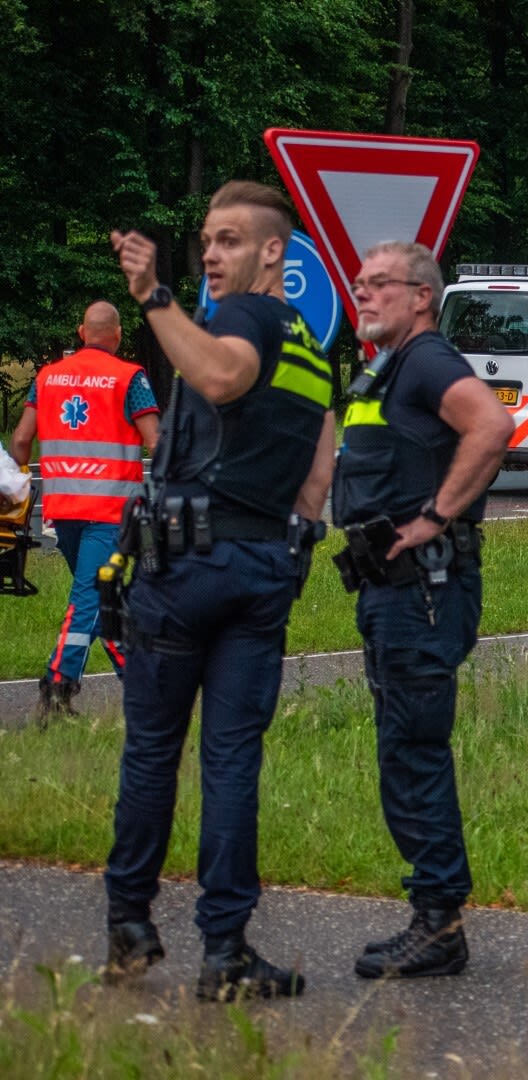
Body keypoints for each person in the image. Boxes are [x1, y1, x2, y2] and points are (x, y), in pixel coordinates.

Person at [103, 180, 336, 1001]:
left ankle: (129, 922)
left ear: (273, 251)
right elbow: (320, 464)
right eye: (208, 238)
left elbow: (223, 378)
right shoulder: (312, 342)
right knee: (233, 761)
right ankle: (226, 950)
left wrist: (155, 298)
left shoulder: (242, 317)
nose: (211, 252)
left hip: (189, 566)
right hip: (264, 567)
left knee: (153, 749)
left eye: (230, 239)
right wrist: (292, 540)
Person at [332, 241, 513, 980]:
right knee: (402, 750)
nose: (363, 295)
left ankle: (438, 924)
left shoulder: (429, 359)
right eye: (359, 283)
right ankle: (429, 917)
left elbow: (492, 426)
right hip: (394, 590)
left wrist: (435, 516)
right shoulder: (387, 367)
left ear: (421, 297)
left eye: (380, 285)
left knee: (414, 751)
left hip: (423, 592)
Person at [9, 302, 160, 720]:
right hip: (111, 509)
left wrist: (22, 482)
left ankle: (148, 692)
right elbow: (156, 444)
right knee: (88, 602)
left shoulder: (47, 377)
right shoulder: (130, 377)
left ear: (81, 332)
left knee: (101, 601)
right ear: (117, 335)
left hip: (63, 510)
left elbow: (22, 439)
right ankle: (57, 687)